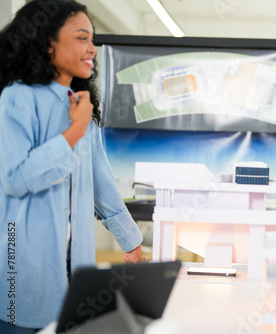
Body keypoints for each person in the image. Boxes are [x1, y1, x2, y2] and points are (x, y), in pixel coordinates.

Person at [0, 1, 144, 332]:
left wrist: (131, 242)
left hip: (74, 269)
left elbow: (101, 182)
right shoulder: (17, 98)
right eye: (82, 38)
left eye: (92, 39)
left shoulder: (79, 103)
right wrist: (73, 132)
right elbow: (15, 178)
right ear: (48, 42)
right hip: (20, 271)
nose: (91, 48)